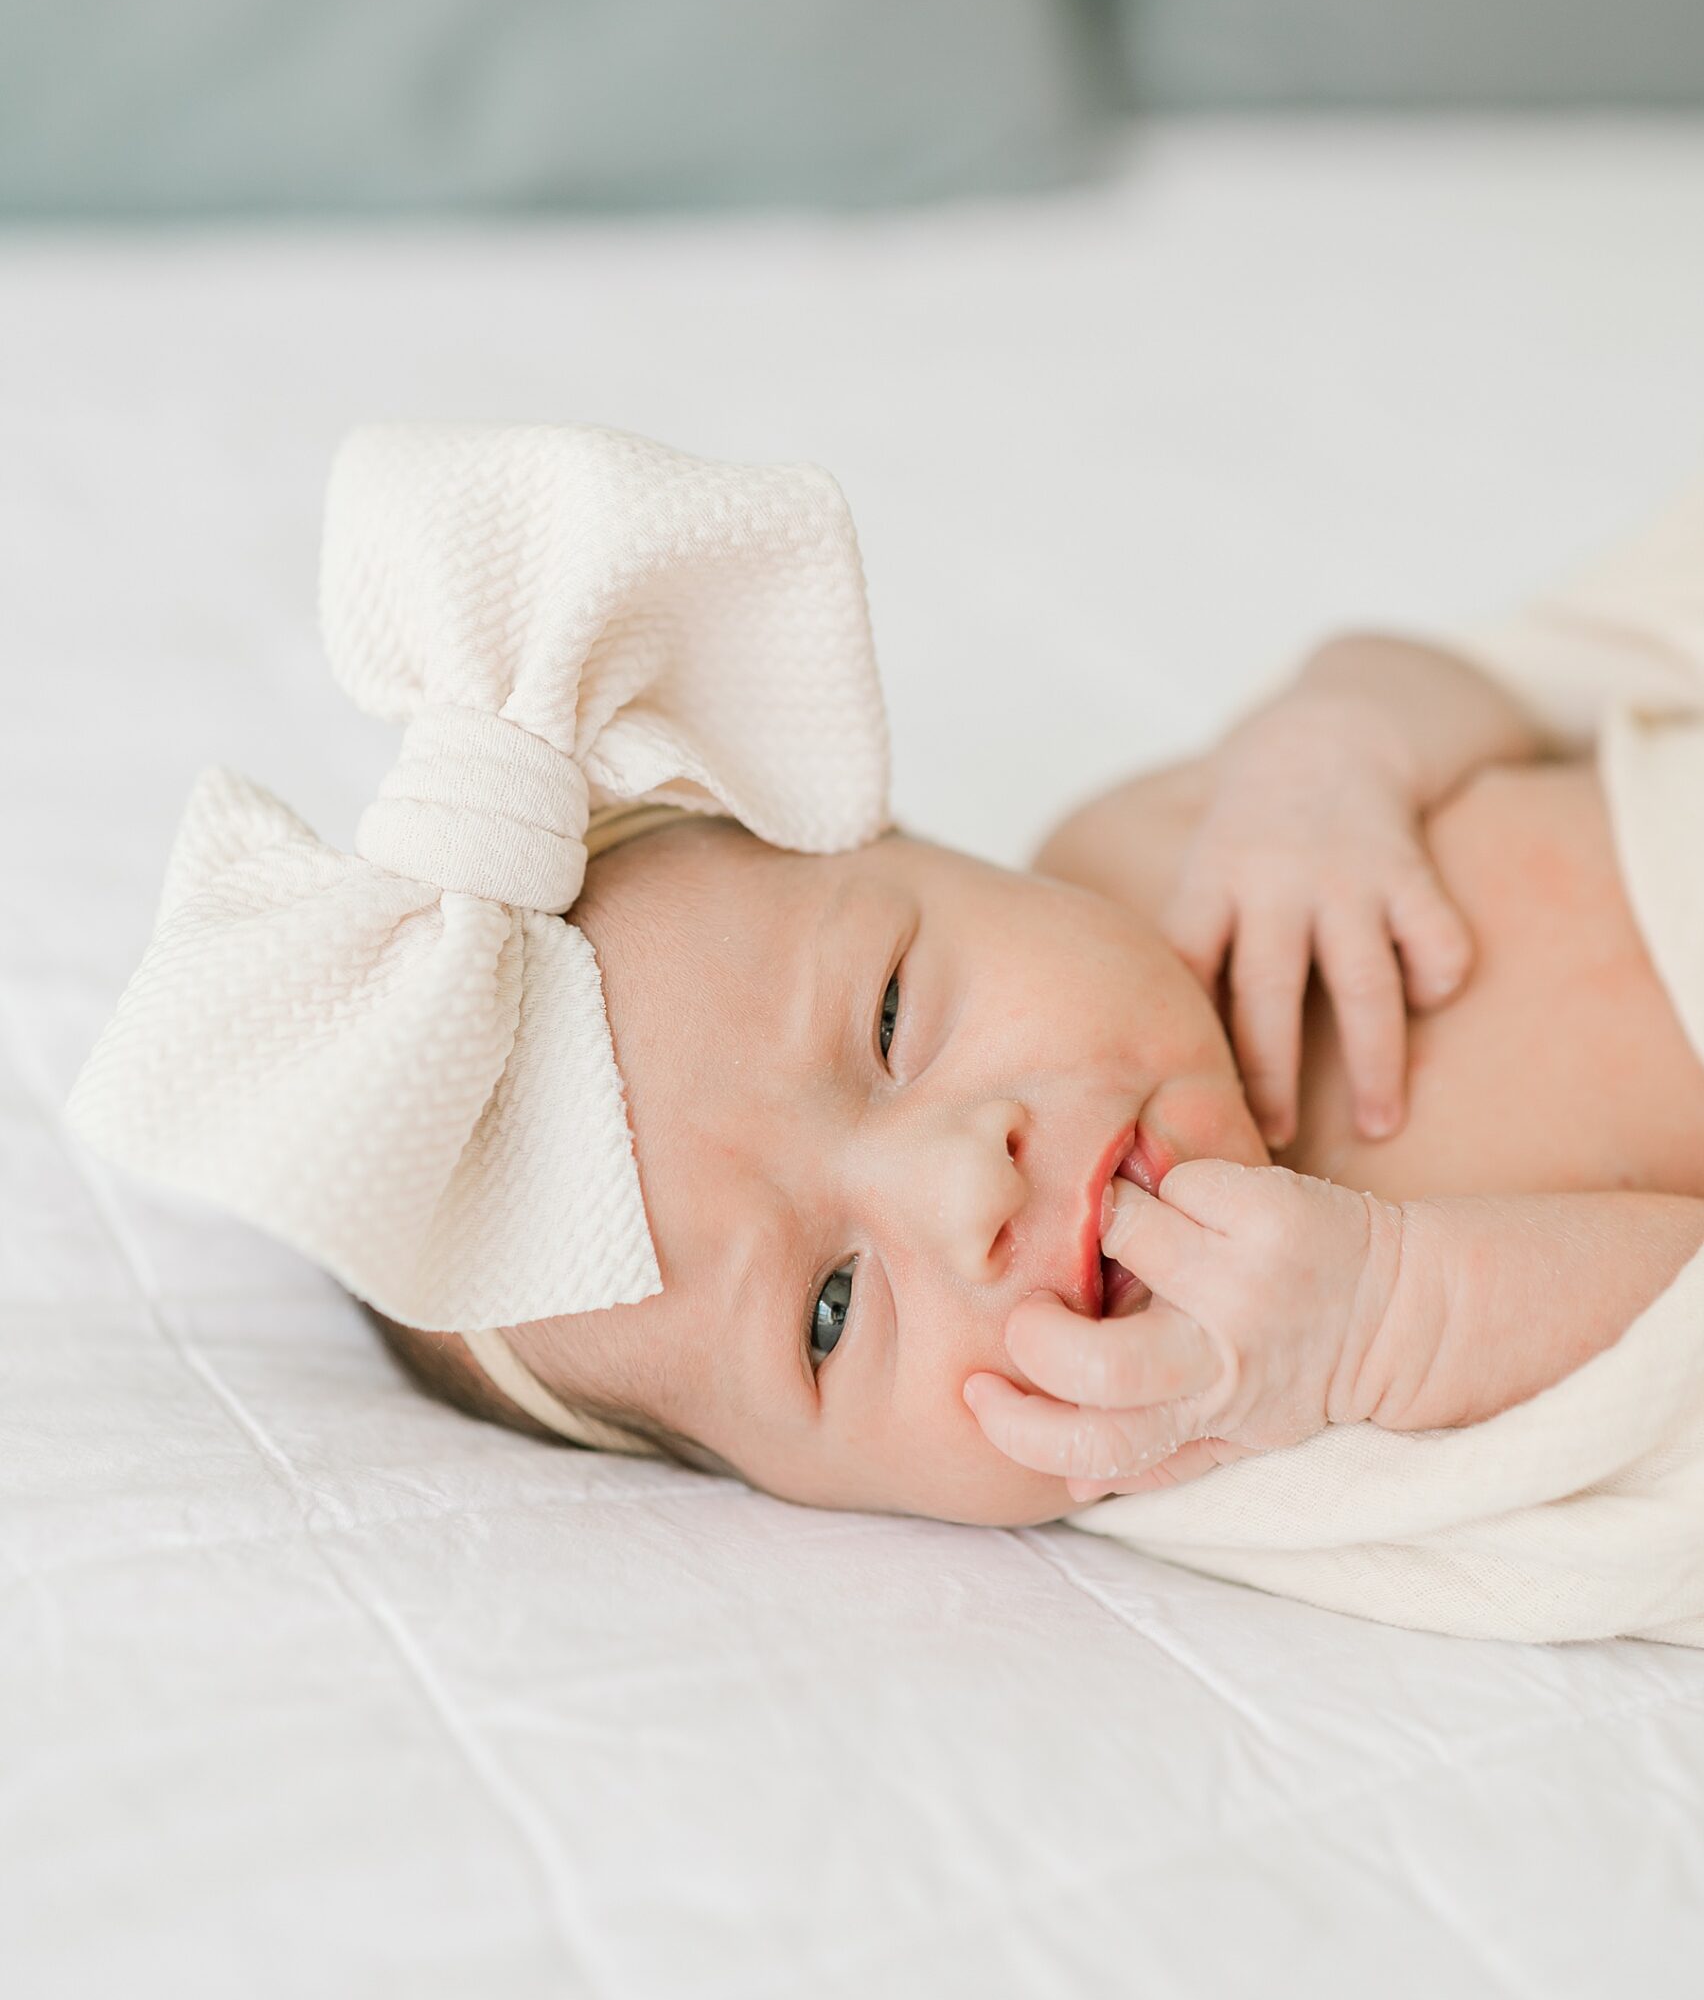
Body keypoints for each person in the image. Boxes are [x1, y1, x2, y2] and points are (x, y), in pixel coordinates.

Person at [68, 426, 1704, 1637]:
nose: (956, 1190)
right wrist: (1387, 1321)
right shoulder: (1234, 1422)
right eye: (833, 1313)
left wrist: (1340, 738)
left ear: (940, 854)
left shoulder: (1154, 849)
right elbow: (1657, 1444)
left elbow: (1505, 667)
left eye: (896, 1014)